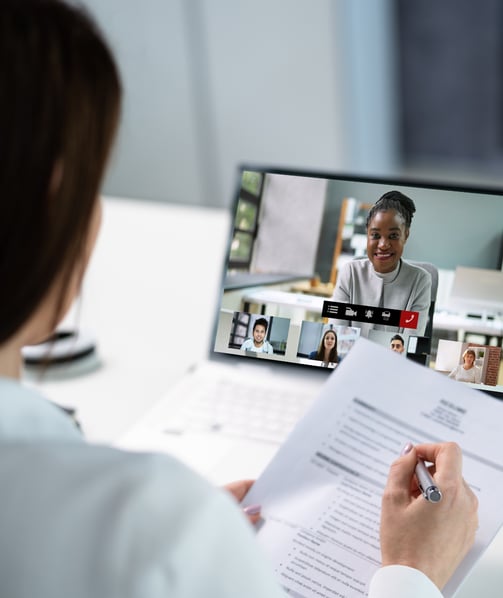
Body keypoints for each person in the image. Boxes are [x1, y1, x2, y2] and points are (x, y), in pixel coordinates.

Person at [0, 2, 478, 597]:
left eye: (393, 236)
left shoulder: (150, 520)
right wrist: (415, 573)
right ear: (53, 200)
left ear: (407, 239)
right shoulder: (151, 528)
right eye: (92, 184)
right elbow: (361, 327)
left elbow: (398, 332)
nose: (381, 244)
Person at [332, 191, 432, 337]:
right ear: (367, 234)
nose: (383, 245)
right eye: (375, 235)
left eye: (393, 236)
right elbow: (338, 338)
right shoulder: (350, 273)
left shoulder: (420, 280)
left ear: (406, 236)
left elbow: (408, 345)